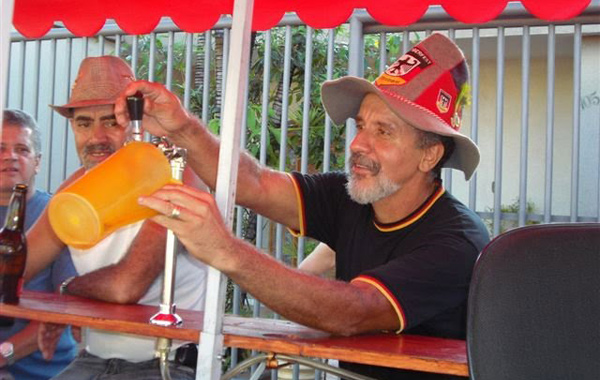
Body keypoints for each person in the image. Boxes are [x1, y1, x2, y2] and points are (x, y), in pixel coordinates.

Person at [117, 33, 490, 379]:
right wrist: (182, 127)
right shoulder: (353, 196)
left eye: (383, 132)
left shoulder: (457, 239)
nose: (358, 144)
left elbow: (352, 311)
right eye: (361, 126)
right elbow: (255, 183)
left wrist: (226, 251)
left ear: (430, 156)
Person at [24, 56, 207, 380]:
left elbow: (126, 286)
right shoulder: (75, 186)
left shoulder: (173, 176)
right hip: (92, 359)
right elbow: (19, 261)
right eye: (83, 123)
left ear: (136, 123)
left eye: (110, 121)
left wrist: (66, 294)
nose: (96, 137)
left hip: (165, 363)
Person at [0, 110, 78, 380]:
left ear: (38, 162)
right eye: (1, 148)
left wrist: (4, 354)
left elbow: (64, 307)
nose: (10, 156)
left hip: (43, 371)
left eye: (22, 149)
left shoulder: (58, 216)